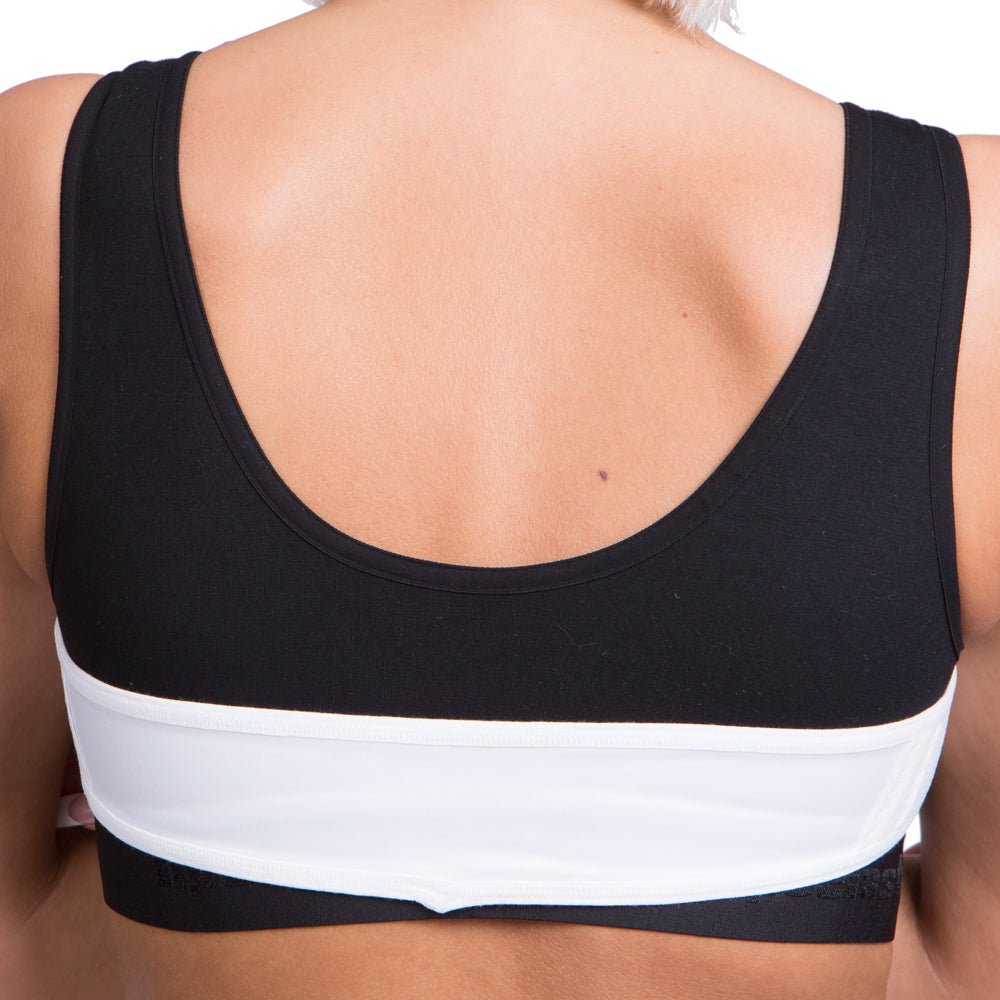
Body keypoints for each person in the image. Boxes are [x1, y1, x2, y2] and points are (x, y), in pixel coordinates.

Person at [2, 0, 999, 996]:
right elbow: (965, 966)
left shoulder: (53, 189)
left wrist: (198, 876)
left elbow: (20, 937)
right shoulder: (973, 252)